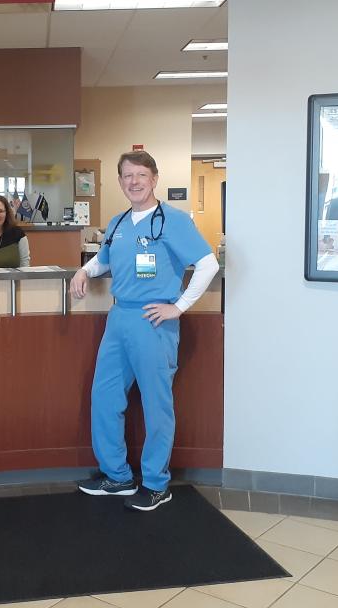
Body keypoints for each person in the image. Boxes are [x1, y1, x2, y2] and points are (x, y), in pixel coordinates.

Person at [70, 151, 219, 511]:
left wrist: (178, 307)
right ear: (120, 182)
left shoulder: (175, 221)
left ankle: (156, 484)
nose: (133, 182)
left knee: (156, 405)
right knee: (104, 398)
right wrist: (84, 272)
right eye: (127, 176)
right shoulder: (119, 223)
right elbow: (103, 258)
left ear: (154, 178)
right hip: (119, 319)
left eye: (140, 175)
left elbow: (208, 264)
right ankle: (117, 476)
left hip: (154, 321)